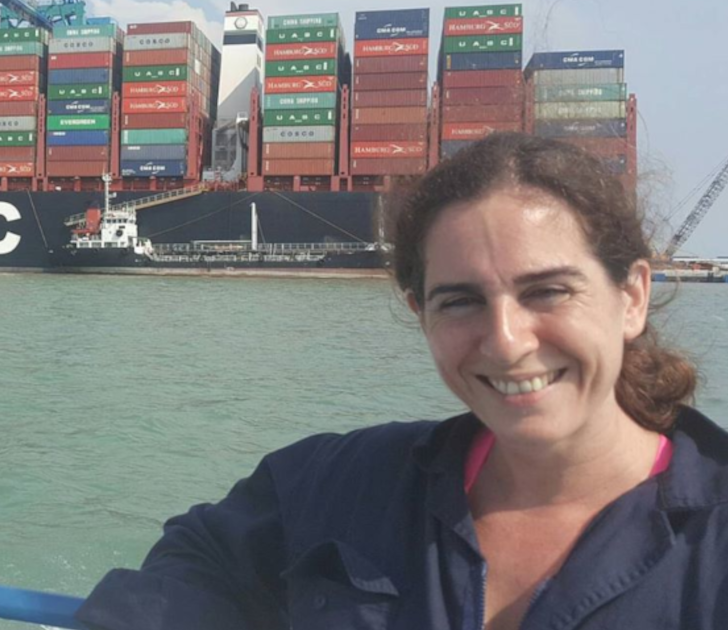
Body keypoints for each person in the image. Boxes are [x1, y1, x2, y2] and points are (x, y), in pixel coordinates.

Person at [75, 133, 728, 630]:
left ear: (632, 297)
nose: (506, 341)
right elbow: (191, 570)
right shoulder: (333, 485)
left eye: (548, 290)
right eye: (460, 301)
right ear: (421, 314)